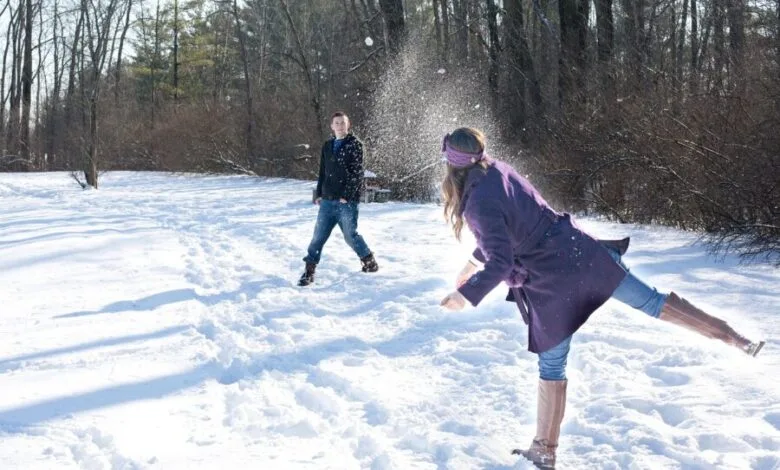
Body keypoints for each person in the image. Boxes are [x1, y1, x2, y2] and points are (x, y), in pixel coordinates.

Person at [437, 127, 764, 469]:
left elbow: (502, 259)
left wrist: (465, 295)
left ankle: (544, 450)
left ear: (452, 164)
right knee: (653, 302)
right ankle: (735, 338)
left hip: (551, 279)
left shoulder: (477, 201)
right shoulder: (499, 171)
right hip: (581, 253)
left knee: (552, 365)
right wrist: (472, 263)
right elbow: (515, 225)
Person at [298, 112, 378, 286]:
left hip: (346, 202)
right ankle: (309, 271)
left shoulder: (355, 144)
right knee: (318, 237)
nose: (340, 126)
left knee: (350, 236)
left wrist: (346, 195)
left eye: (343, 123)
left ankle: (369, 261)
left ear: (348, 125)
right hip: (327, 201)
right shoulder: (327, 146)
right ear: (332, 126)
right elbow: (322, 171)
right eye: (337, 123)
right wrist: (319, 193)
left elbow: (357, 173)